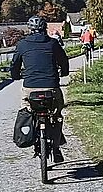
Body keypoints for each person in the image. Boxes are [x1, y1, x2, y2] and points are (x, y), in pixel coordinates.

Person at [9, 15, 69, 163]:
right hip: (51, 87)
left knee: (26, 110)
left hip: (30, 88)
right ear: (44, 28)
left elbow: (14, 64)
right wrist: (64, 72)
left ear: (30, 29)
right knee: (57, 114)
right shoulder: (53, 43)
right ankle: (56, 147)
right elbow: (63, 60)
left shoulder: (22, 44)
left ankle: (28, 134)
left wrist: (15, 76)